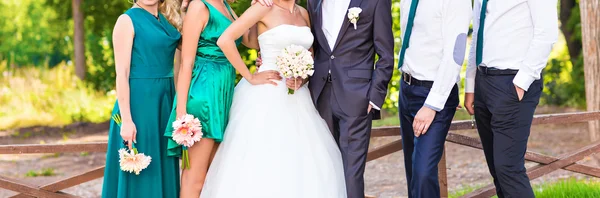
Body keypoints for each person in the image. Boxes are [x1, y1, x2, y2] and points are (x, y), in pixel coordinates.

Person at [200, 1, 347, 197]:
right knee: (265, 157)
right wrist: (250, 76)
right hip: (265, 93)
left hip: (298, 98)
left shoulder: (303, 12)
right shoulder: (264, 6)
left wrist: (302, 77)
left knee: (302, 160)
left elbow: (310, 51)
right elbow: (225, 40)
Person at [163, 0, 277, 197]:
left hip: (224, 93)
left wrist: (257, 7)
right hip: (203, 93)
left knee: (212, 176)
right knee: (195, 178)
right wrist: (181, 110)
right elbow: (187, 63)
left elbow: (251, 41)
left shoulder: (226, 6)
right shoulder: (199, 6)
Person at [464, 0, 558, 197]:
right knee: (497, 170)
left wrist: (521, 82)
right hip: (483, 82)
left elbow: (547, 33)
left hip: (513, 82)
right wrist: (471, 85)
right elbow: (477, 35)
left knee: (508, 168)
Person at [101, 0, 182, 197]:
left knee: (161, 164)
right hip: (138, 104)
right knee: (142, 172)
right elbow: (122, 73)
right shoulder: (126, 20)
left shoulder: (166, 20)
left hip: (164, 103)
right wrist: (127, 120)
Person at [397, 0, 471, 197]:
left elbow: (455, 54)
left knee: (423, 173)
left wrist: (433, 103)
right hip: (406, 88)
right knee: (412, 173)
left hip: (433, 95)